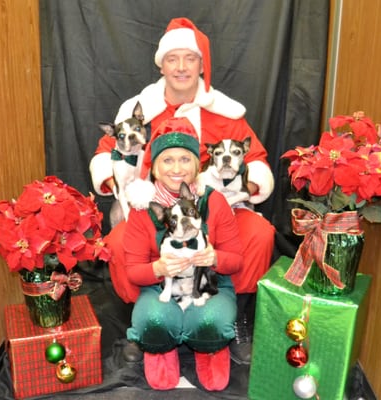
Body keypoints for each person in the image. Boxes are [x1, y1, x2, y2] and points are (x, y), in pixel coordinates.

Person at [90, 17, 275, 365]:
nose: (180, 67)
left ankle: (238, 319)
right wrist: (118, 182)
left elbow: (256, 160)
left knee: (260, 235)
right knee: (116, 243)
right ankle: (140, 323)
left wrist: (244, 183)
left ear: (202, 65)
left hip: (216, 208)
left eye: (189, 58)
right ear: (161, 63)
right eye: (172, 58)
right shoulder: (137, 110)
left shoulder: (226, 112)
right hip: (152, 207)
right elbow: (105, 152)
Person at [121, 117, 243, 390]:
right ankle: (162, 349)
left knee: (210, 321)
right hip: (160, 286)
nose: (177, 168)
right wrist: (159, 269)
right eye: (167, 160)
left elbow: (236, 260)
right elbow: (133, 270)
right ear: (154, 168)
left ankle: (209, 346)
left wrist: (215, 259)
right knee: (154, 320)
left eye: (185, 159)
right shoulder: (144, 208)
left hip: (207, 283)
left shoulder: (214, 200)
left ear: (198, 165)